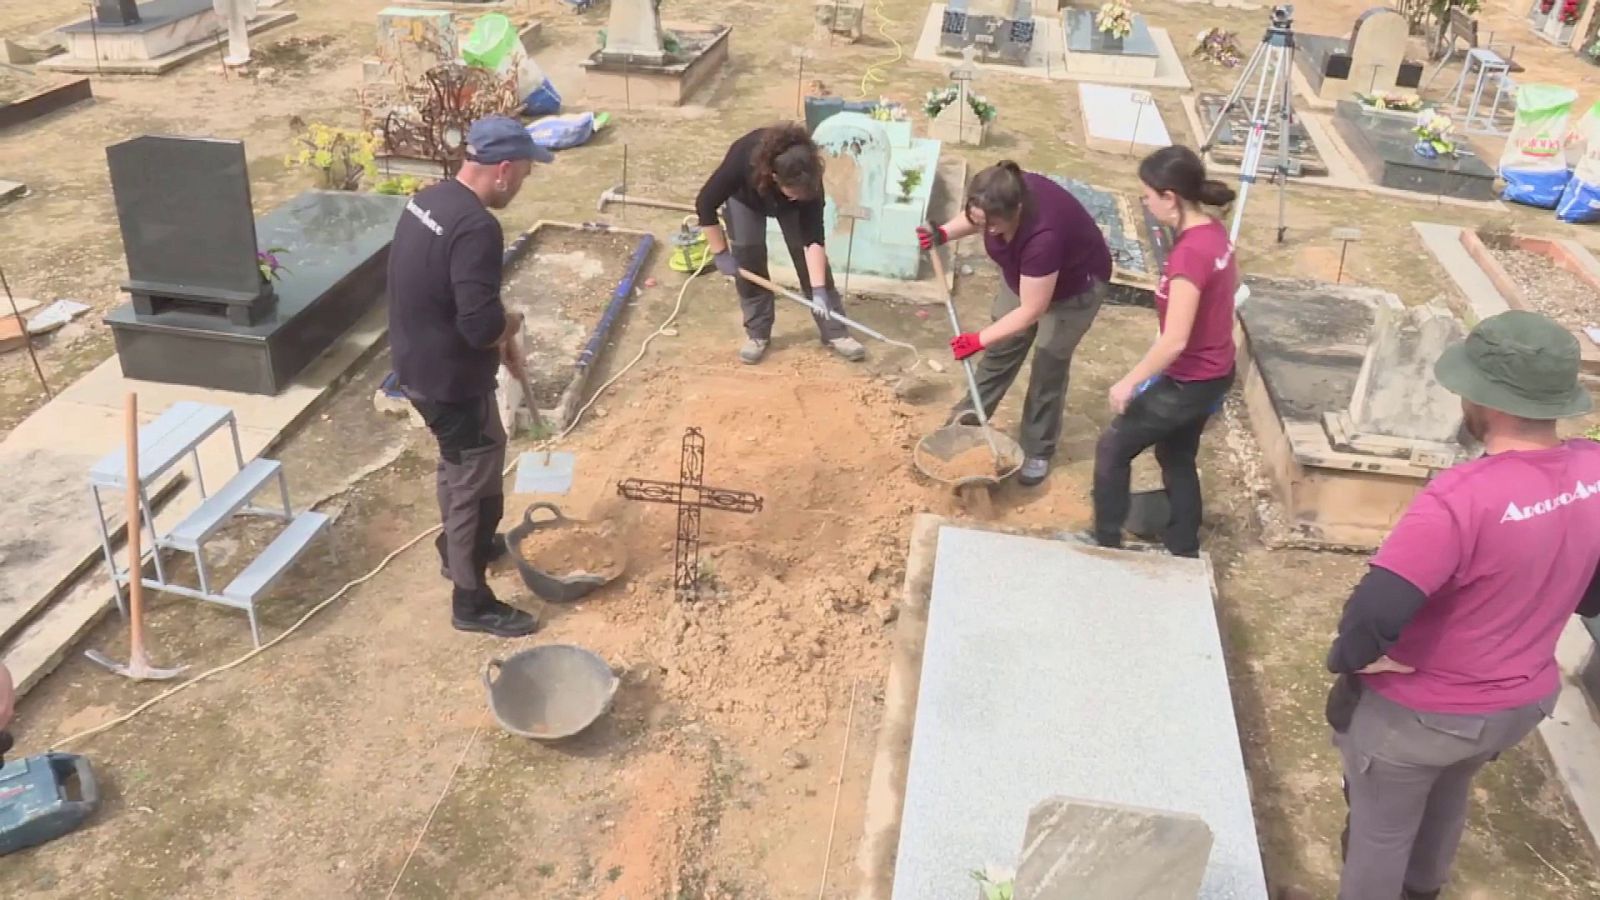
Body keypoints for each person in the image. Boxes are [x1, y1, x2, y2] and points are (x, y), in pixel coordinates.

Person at [1324, 311, 1600, 900]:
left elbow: (1375, 613)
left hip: (1423, 713)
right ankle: (1423, 892)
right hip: (1519, 701)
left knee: (1379, 834)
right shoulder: (1594, 467)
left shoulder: (1458, 499)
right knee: (1448, 794)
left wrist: (1354, 658)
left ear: (1490, 402)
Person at [388, 116, 552, 638]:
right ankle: (471, 599)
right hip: (450, 381)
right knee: (476, 486)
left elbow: (447, 294)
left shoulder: (430, 199)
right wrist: (510, 325)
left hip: (417, 363)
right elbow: (479, 323)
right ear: (503, 171)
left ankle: (458, 549)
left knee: (459, 463)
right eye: (524, 172)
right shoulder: (478, 226)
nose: (523, 183)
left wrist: (492, 335)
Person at [917, 161, 1111, 486]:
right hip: (1024, 276)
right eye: (980, 221)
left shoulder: (1043, 236)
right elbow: (976, 217)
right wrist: (943, 233)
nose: (985, 229)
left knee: (1048, 366)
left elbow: (1032, 311)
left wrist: (977, 339)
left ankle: (1038, 448)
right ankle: (968, 421)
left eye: (992, 225)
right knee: (1001, 348)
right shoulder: (997, 192)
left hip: (1074, 289)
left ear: (1016, 210)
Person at [1089, 146, 1237, 556]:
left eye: (1147, 195)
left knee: (1113, 448)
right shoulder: (1211, 230)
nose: (1145, 202)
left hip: (1190, 380)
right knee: (1175, 453)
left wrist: (1127, 383)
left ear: (1170, 197)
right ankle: (1182, 543)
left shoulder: (1190, 255)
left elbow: (1175, 339)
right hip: (1214, 371)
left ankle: (1106, 540)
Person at [694, 123, 866, 365]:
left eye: (803, 193)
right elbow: (704, 204)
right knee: (749, 256)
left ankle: (836, 332)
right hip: (746, 200)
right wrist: (720, 252)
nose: (797, 197)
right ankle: (757, 334)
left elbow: (814, 239)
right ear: (775, 178)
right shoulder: (742, 159)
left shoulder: (809, 186)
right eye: (792, 192)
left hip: (790, 210)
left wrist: (818, 291)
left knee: (809, 262)